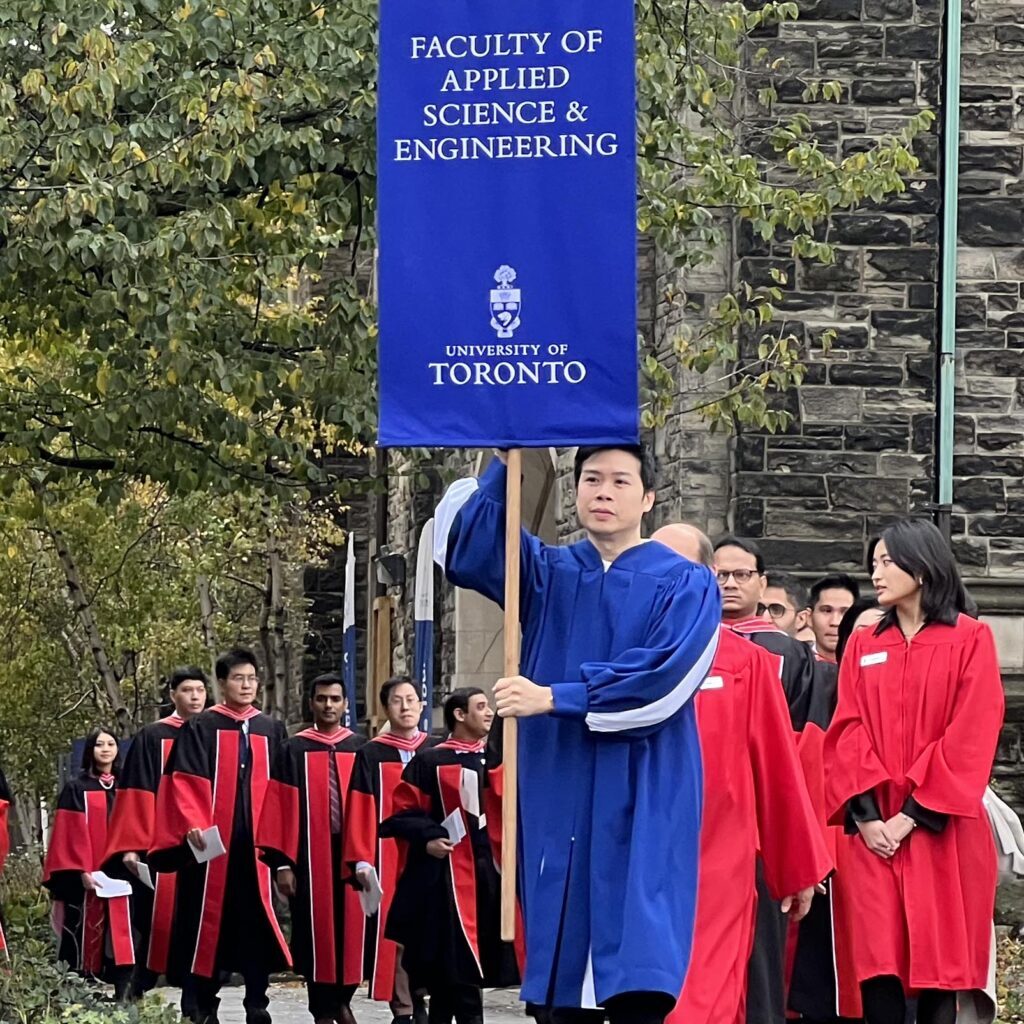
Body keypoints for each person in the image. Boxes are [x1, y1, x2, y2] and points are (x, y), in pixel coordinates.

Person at [435, 446, 721, 1024]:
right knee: (560, 980)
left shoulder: (686, 584)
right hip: (558, 781)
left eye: (620, 481)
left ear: (647, 498)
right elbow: (469, 546)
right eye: (591, 479)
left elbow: (663, 681)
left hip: (642, 782)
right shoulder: (546, 572)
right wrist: (504, 456)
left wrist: (557, 696)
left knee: (636, 971)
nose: (603, 492)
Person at [824, 519, 1004, 1024]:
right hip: (875, 830)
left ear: (921, 568)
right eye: (873, 563)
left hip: (940, 828)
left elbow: (972, 733)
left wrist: (912, 815)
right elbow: (847, 728)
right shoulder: (861, 645)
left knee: (940, 969)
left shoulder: (970, 639)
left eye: (886, 562)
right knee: (878, 965)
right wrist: (866, 817)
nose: (874, 574)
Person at [652, 525, 831, 1024]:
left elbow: (777, 764)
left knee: (712, 995)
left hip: (720, 857)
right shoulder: (619, 657)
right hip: (641, 858)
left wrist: (794, 864)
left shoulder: (748, 662)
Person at [711, 535, 824, 1024]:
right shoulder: (681, 648)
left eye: (741, 575)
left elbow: (802, 749)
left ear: (762, 582)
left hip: (761, 823)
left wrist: (799, 843)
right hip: (704, 820)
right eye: (720, 574)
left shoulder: (787, 654)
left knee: (762, 962)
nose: (730, 584)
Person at [149, 647, 290, 1024]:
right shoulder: (202, 727)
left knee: (256, 926)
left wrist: (280, 849)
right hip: (211, 852)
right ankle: (202, 1005)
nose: (246, 685)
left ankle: (257, 1003)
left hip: (256, 852)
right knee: (205, 926)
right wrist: (193, 822)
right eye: (237, 678)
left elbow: (280, 790)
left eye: (251, 678)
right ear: (222, 683)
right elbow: (184, 780)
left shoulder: (270, 729)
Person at [380, 689, 516, 1024]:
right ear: (459, 715)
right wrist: (428, 838)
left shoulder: (499, 758)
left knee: (462, 974)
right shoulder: (432, 761)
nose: (488, 713)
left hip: (489, 878)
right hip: (446, 881)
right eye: (481, 707)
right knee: (454, 972)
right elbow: (402, 813)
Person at [257, 673, 366, 1024]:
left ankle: (343, 1000)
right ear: (311, 703)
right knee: (313, 934)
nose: (329, 705)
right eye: (322, 699)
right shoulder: (293, 749)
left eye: (335, 699)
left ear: (346, 704)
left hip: (352, 855)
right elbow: (279, 807)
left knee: (353, 933)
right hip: (308, 857)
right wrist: (281, 864)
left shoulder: (360, 748)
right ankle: (322, 1008)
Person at [103, 666, 208, 999]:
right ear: (173, 695)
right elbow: (137, 792)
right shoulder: (153, 736)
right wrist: (132, 846)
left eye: (200, 690)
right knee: (155, 921)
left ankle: (199, 998)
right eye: (187, 690)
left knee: (202, 921)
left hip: (206, 845)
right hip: (160, 847)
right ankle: (139, 987)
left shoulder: (216, 732)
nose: (195, 696)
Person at [345, 676, 435, 1024]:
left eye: (412, 699)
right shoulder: (371, 753)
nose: (406, 706)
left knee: (431, 926)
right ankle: (404, 1007)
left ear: (422, 705)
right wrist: (362, 856)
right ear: (387, 709)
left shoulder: (435, 749)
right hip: (388, 852)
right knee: (396, 931)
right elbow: (361, 806)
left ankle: (425, 994)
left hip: (430, 853)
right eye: (398, 700)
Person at [43, 728, 134, 996]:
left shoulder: (126, 787)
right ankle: (81, 986)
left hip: (122, 869)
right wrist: (81, 869)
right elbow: (68, 832)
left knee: (123, 930)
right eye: (99, 744)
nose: (105, 749)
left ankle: (123, 986)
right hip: (88, 873)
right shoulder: (76, 788)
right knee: (82, 927)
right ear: (90, 751)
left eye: (111, 743)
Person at [808, 574, 861, 664]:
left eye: (845, 612)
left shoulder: (870, 664)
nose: (835, 622)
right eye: (827, 611)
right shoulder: (794, 663)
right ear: (809, 618)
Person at [763, 572, 813, 643]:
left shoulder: (808, 653)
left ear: (801, 619)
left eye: (776, 610)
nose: (764, 619)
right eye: (759, 609)